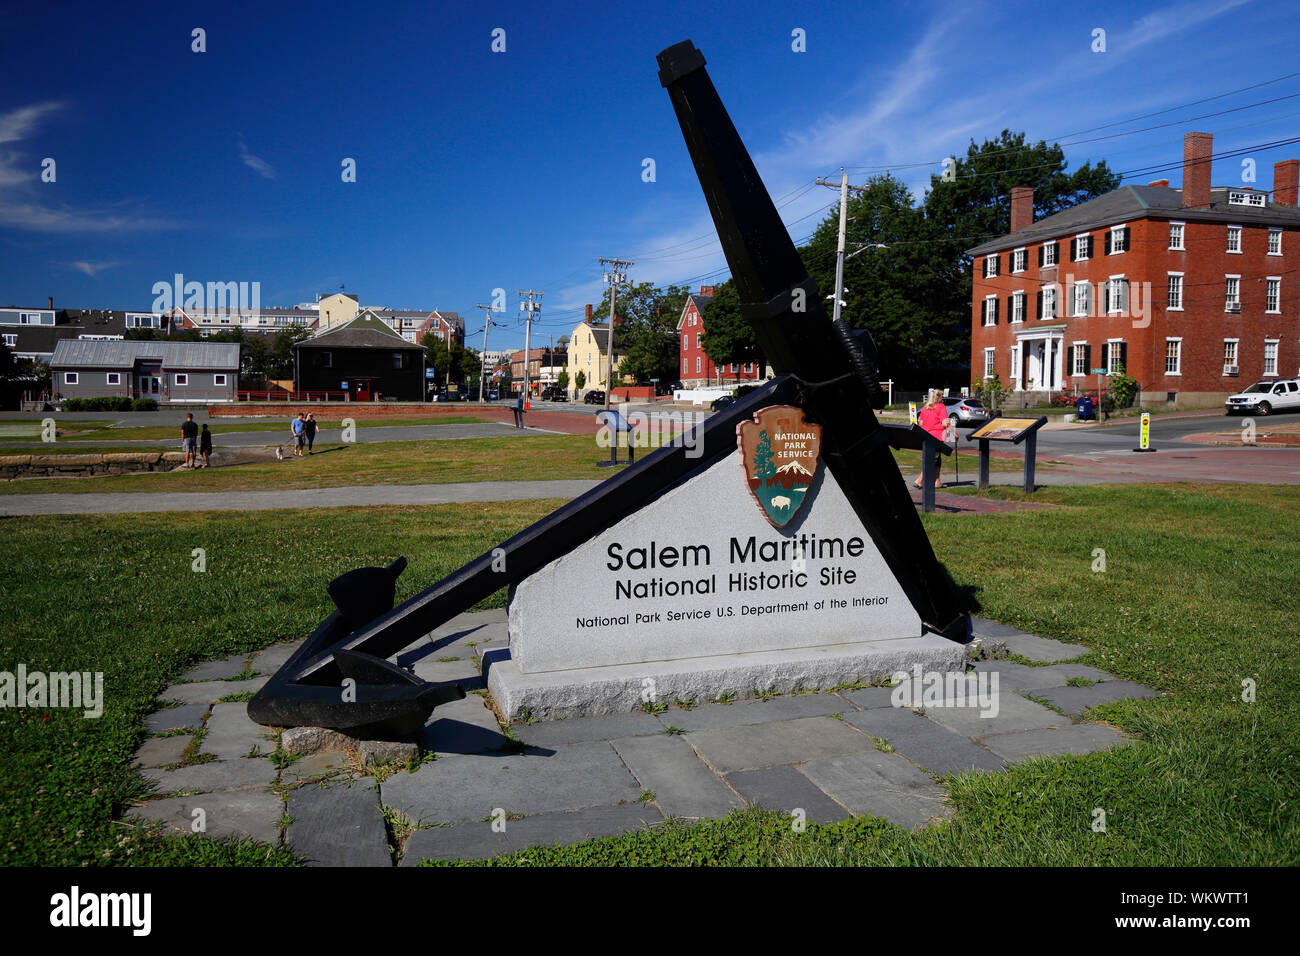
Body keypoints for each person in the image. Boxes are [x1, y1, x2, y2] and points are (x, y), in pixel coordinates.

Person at [916, 389, 948, 490]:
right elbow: (945, 422)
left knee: (937, 459)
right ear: (938, 397)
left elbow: (920, 423)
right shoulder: (941, 406)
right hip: (937, 437)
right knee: (932, 459)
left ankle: (937, 481)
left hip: (926, 436)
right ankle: (920, 480)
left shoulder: (925, 408)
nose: (942, 398)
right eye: (941, 396)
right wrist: (953, 432)